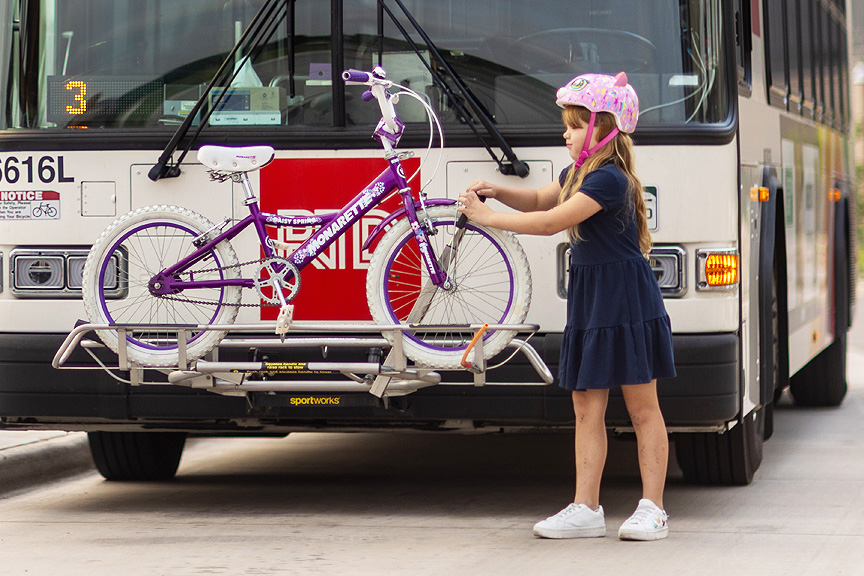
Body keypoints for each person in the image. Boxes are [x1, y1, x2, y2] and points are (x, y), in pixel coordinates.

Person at [457, 72, 676, 541]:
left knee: (642, 408)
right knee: (584, 406)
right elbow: (539, 198)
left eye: (576, 125)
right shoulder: (576, 174)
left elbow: (552, 221)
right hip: (592, 299)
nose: (566, 132)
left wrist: (486, 218)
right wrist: (498, 192)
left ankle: (653, 508)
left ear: (605, 130)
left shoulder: (610, 181)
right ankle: (586, 507)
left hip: (626, 300)